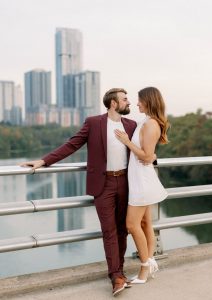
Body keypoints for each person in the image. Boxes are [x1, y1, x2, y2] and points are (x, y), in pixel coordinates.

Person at [20, 88, 154, 296]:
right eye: (125, 99)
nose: (129, 103)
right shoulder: (94, 123)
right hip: (104, 184)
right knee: (108, 230)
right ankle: (116, 276)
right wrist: (43, 161)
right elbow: (71, 145)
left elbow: (144, 149)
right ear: (113, 103)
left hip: (128, 183)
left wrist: (152, 159)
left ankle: (120, 271)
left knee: (122, 229)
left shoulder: (131, 125)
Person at [115, 86, 169, 283]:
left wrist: (126, 142)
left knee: (131, 224)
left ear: (148, 101)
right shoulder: (145, 121)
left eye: (139, 100)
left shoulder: (152, 124)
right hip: (138, 179)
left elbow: (146, 155)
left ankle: (144, 269)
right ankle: (151, 261)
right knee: (146, 223)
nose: (136, 103)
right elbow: (149, 153)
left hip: (143, 182)